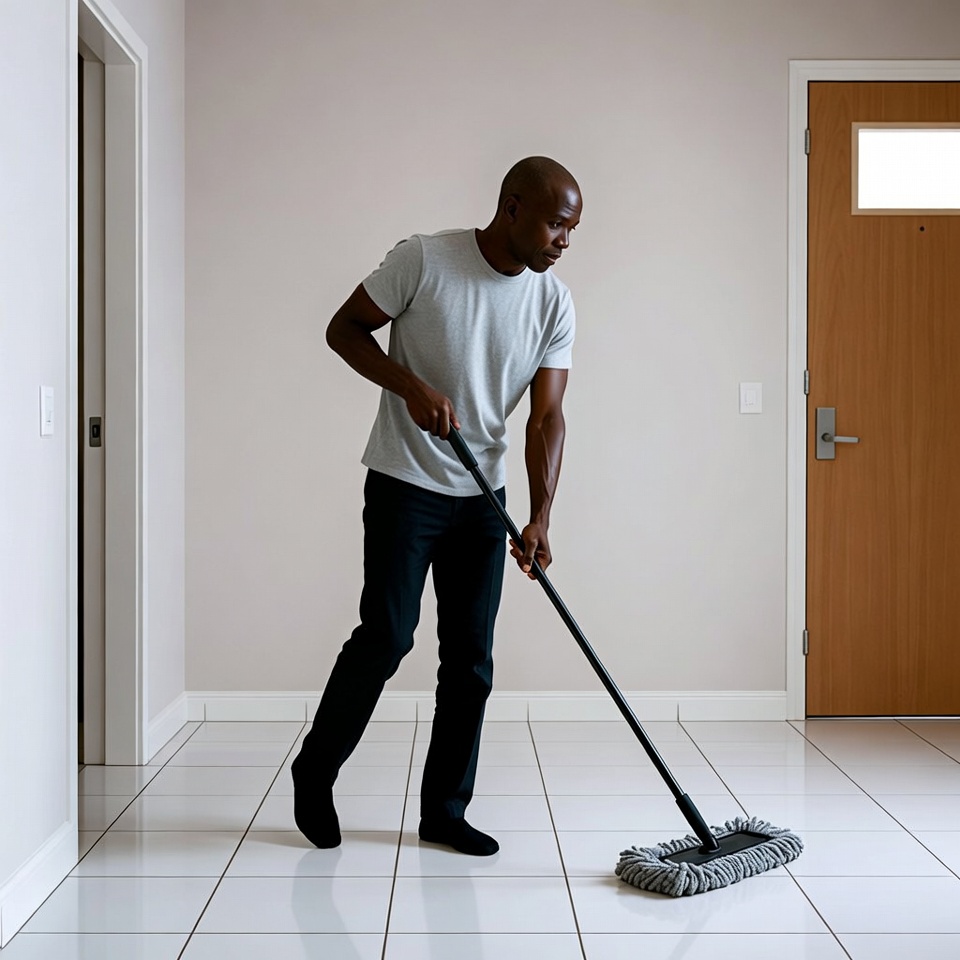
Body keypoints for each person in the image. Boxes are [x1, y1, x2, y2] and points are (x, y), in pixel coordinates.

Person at [291, 156, 582, 857]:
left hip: (484, 500)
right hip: (405, 484)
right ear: (512, 207)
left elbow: (547, 418)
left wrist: (540, 516)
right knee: (388, 636)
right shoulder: (424, 260)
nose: (563, 241)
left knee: (470, 662)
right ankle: (315, 770)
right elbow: (344, 329)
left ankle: (445, 812)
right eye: (554, 224)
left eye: (572, 229)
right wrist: (408, 385)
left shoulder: (553, 303)